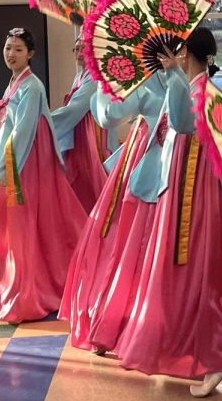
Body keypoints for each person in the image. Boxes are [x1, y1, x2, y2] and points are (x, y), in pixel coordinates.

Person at [99, 28, 222, 398]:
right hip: (179, 185)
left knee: (199, 268)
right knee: (181, 269)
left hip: (197, 191)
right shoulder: (188, 84)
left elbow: (182, 122)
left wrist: (173, 75)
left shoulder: (201, 90)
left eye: (178, 51)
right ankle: (188, 346)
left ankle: (216, 353)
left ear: (185, 54)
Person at [59, 72, 167, 351]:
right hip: (165, 160)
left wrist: (103, 85)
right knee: (142, 244)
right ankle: (134, 321)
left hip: (153, 157)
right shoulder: (169, 77)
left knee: (123, 240)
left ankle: (122, 320)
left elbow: (109, 115)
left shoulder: (145, 79)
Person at [0, 28, 85, 322]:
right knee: (13, 232)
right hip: (13, 166)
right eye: (8, 48)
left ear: (30, 54)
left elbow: (23, 132)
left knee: (22, 229)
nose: (11, 54)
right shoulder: (15, 83)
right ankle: (14, 285)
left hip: (21, 170)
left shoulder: (31, 86)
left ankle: (26, 292)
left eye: (17, 49)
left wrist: (2, 170)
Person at [51, 37, 109, 213]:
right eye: (75, 48)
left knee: (87, 176)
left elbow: (75, 108)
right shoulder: (79, 76)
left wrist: (44, 122)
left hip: (88, 133)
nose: (78, 52)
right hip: (76, 130)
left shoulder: (94, 77)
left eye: (83, 47)